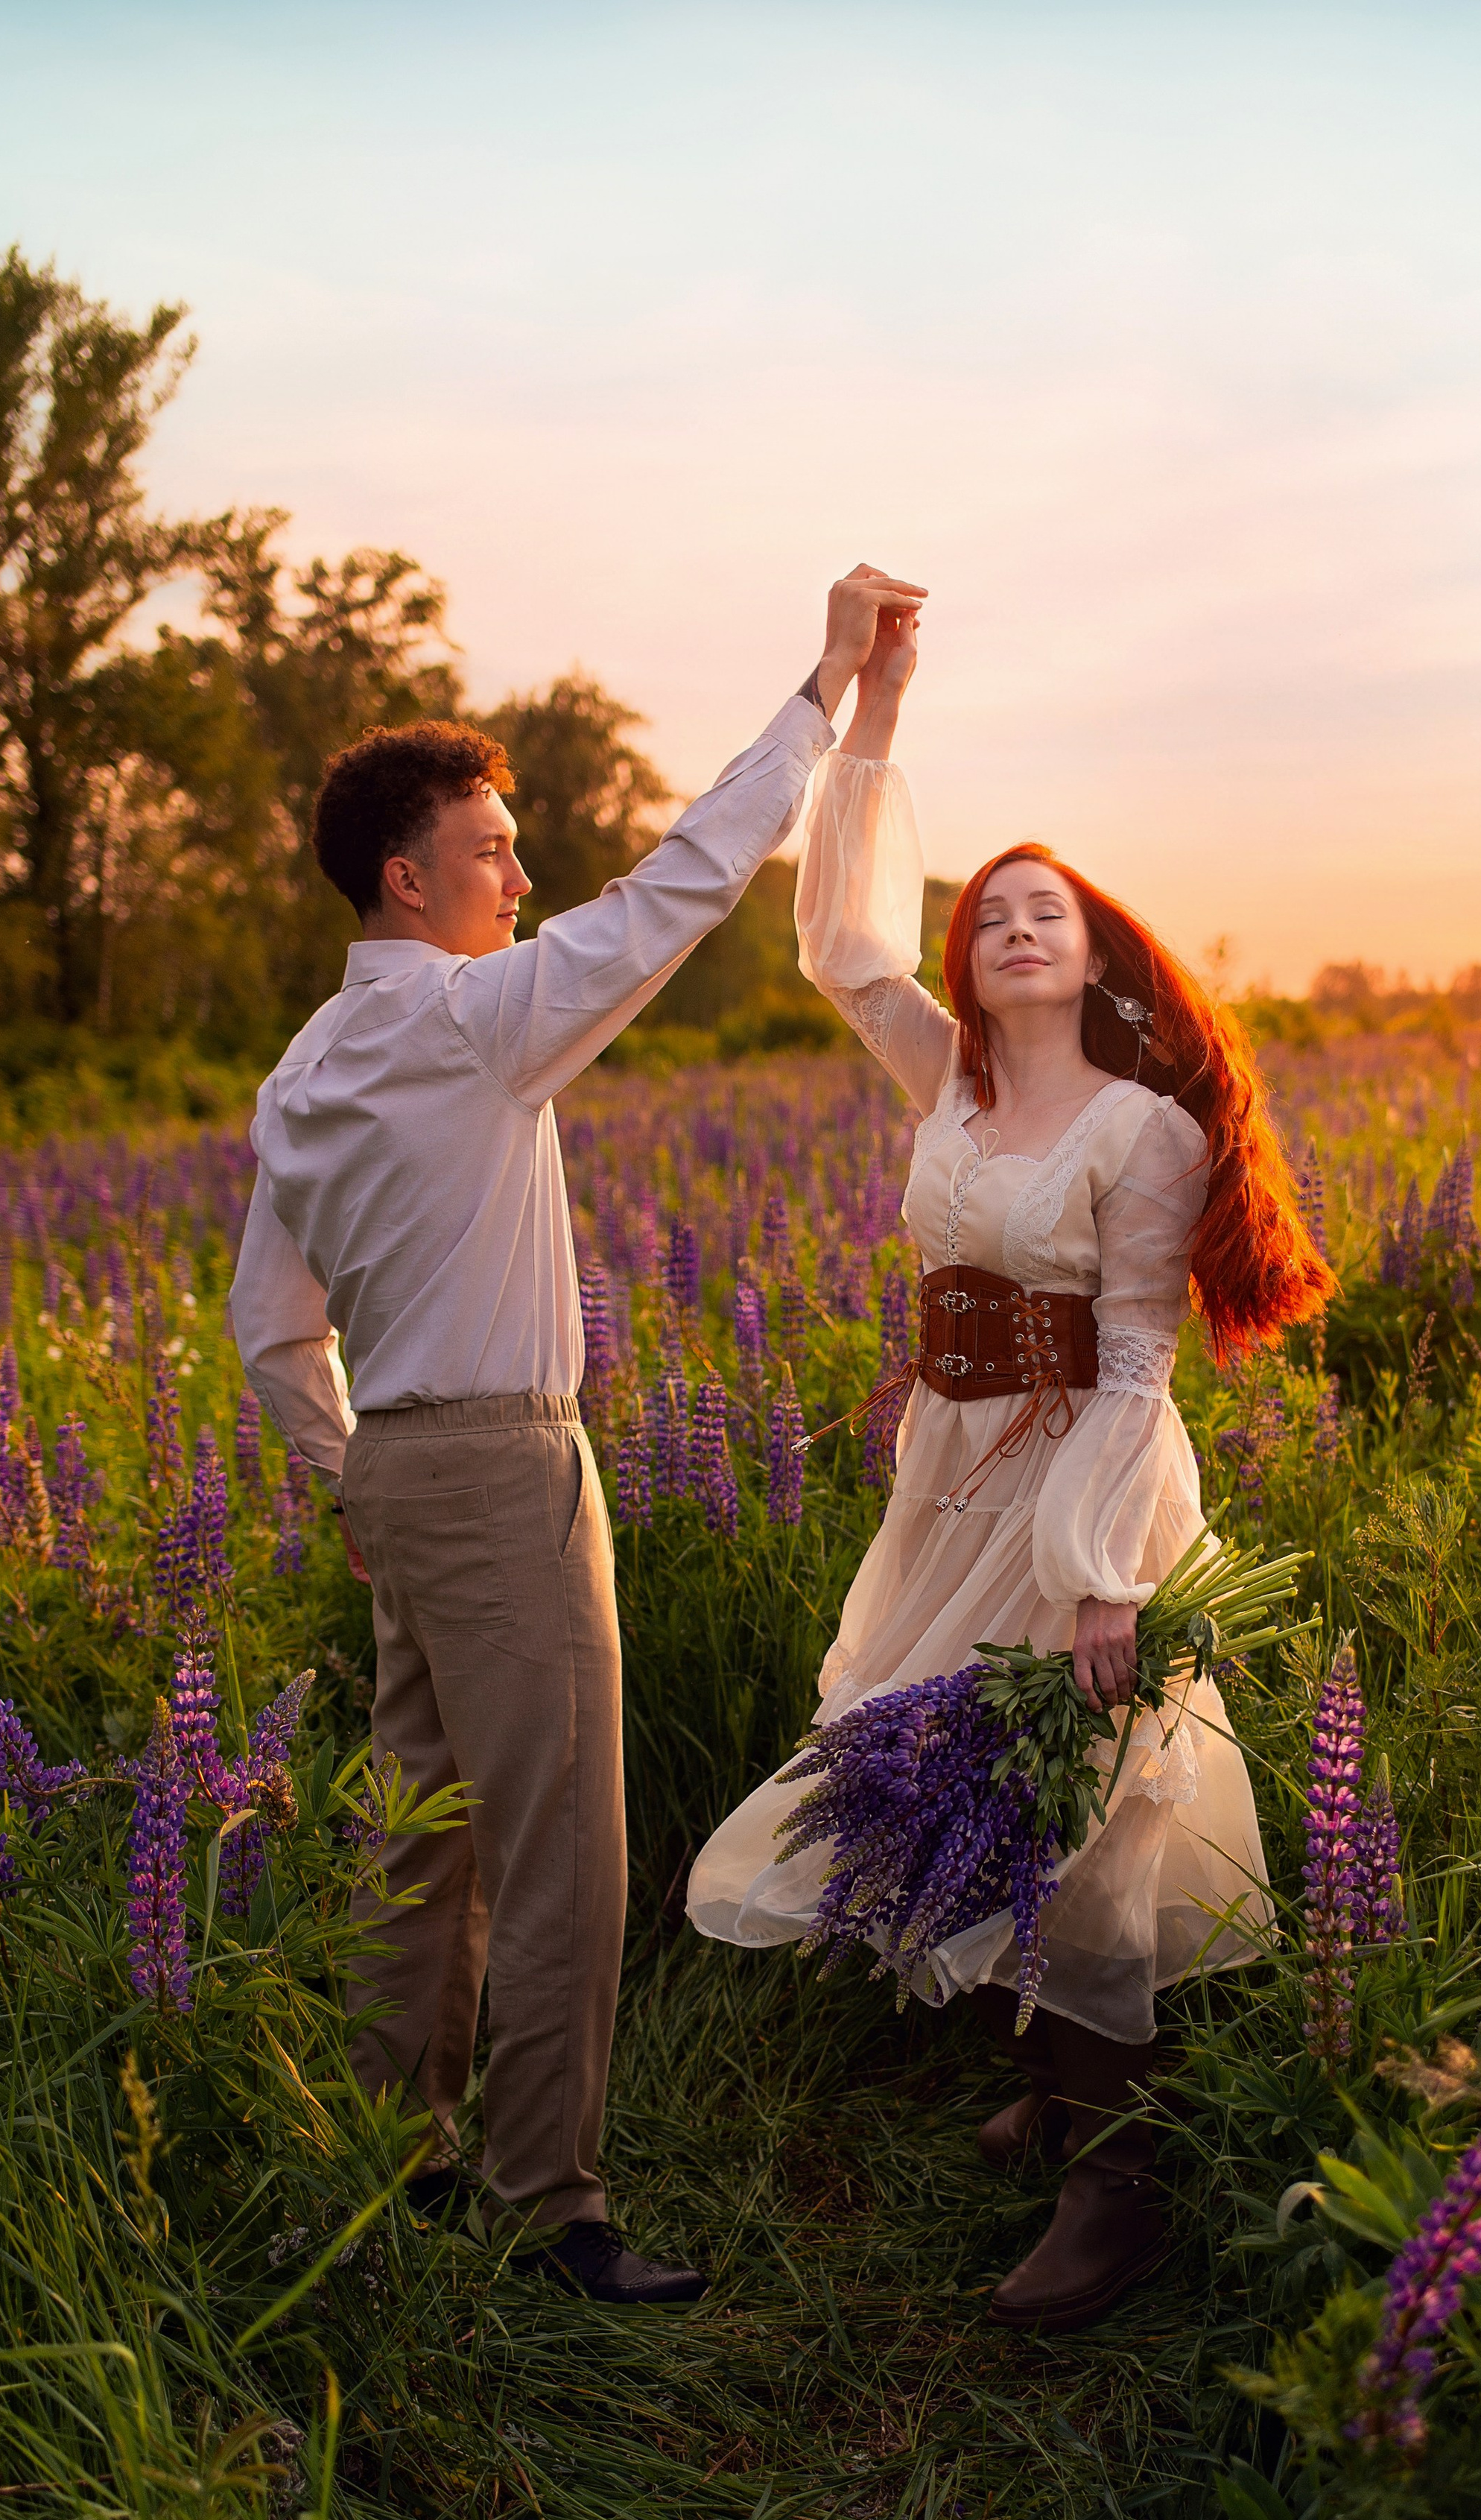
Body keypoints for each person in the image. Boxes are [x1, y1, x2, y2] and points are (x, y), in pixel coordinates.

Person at [230, 565, 927, 2305]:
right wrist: (822, 690)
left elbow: (271, 1330)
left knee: (421, 1840)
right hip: (502, 1463)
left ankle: (393, 2171)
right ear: (408, 878)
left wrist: (349, 1477)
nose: (521, 879)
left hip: (398, 1469)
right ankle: (551, 2208)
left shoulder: (302, 1068)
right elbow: (679, 884)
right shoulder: (468, 1023)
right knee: (559, 1855)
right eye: (490, 851)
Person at [686, 606, 1329, 2333]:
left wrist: (1101, 1575)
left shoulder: (1143, 1127)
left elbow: (1133, 1364)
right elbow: (839, 947)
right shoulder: (948, 1083)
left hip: (1084, 1484)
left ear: (1096, 949)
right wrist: (876, 711)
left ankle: (1119, 2181)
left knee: (1089, 1809)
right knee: (950, 1761)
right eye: (988, 915)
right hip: (948, 1472)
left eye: (1047, 909)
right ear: (964, 965)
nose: (1016, 927)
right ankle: (1050, 2086)